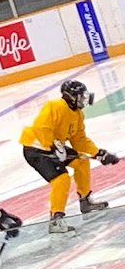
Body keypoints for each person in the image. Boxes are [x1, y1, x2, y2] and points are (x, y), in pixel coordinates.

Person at [20, 80, 120, 233]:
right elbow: (41, 127)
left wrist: (98, 153)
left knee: (81, 162)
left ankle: (85, 200)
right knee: (61, 179)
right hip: (36, 149)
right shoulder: (55, 106)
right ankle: (56, 220)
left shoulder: (78, 114)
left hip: (54, 147)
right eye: (81, 95)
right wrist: (53, 145)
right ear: (71, 97)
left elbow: (79, 140)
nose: (85, 98)